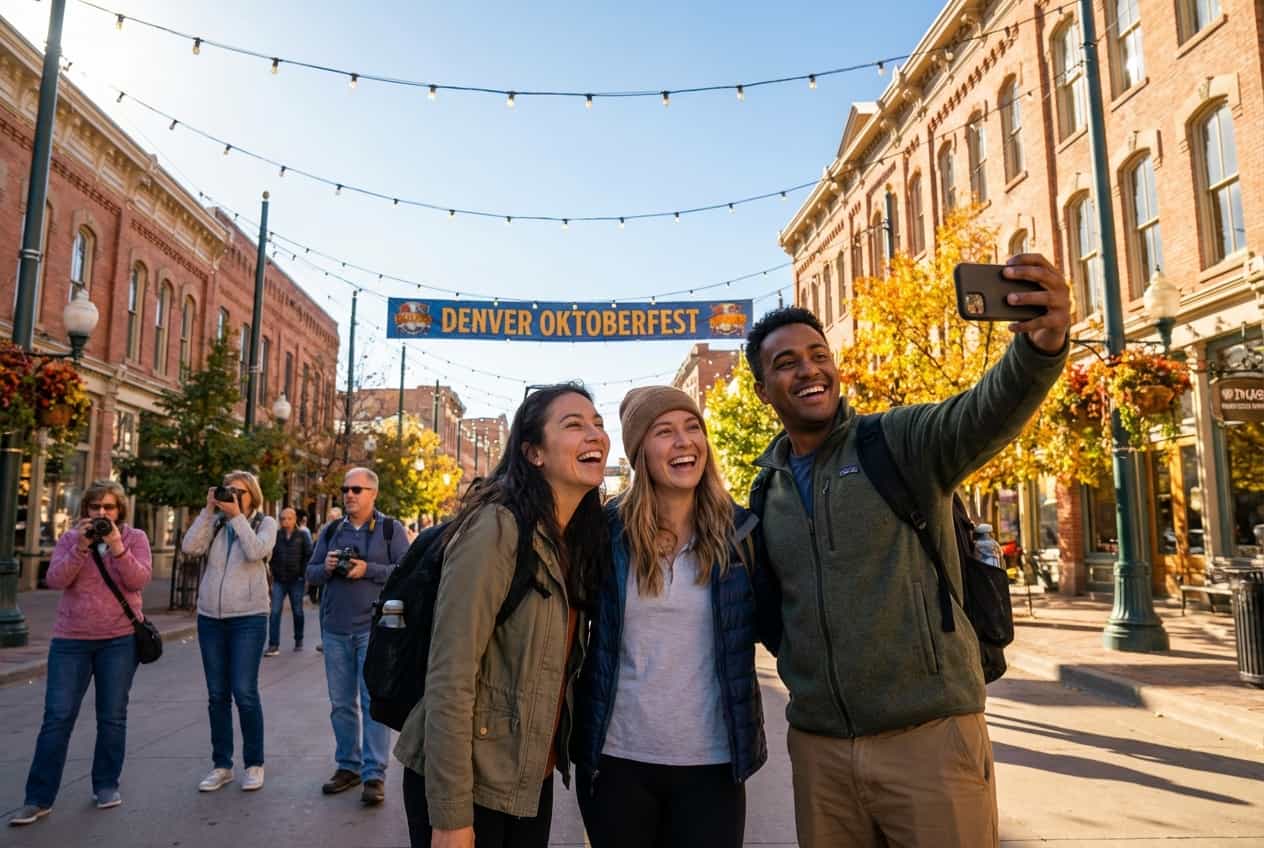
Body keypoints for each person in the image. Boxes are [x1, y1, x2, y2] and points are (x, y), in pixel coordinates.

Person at [745, 253, 1070, 848]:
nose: (809, 371)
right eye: (786, 364)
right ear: (764, 390)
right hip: (819, 750)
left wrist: (1037, 350)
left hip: (930, 741)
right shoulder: (766, 491)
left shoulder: (897, 441)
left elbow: (980, 413)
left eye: (819, 356)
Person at [395, 382, 610, 848]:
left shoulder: (571, 538)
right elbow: (450, 674)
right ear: (533, 453)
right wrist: (451, 816)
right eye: (574, 425)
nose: (594, 434)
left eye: (598, 423)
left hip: (528, 775)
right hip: (470, 782)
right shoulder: (498, 526)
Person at [574, 387, 767, 848]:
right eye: (664, 432)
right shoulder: (605, 533)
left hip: (713, 763)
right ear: (641, 452)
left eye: (692, 427)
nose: (684, 442)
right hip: (618, 760)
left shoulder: (741, 532)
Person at [8, 481, 152, 826]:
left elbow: (138, 580)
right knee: (57, 718)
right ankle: (38, 798)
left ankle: (105, 784)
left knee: (112, 716)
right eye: (95, 508)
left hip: (119, 640)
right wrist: (82, 547)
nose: (102, 514)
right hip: (71, 640)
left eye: (109, 508)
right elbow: (55, 580)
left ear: (120, 511)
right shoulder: (72, 539)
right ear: (85, 510)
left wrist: (116, 546)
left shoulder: (135, 538)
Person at [305, 468, 408, 806]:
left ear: (373, 493)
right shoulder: (332, 530)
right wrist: (330, 567)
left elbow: (408, 573)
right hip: (335, 629)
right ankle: (347, 766)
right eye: (346, 489)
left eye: (357, 489)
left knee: (371, 703)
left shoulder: (391, 530)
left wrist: (369, 570)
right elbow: (312, 573)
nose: (349, 494)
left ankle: (374, 773)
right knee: (341, 704)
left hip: (373, 630)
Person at [182, 470, 278, 794]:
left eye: (240, 492)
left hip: (249, 618)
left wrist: (237, 518)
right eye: (228, 491)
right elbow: (190, 547)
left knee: (244, 691)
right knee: (216, 695)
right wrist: (208, 512)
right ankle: (222, 765)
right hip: (211, 617)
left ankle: (254, 763)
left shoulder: (265, 523)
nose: (232, 496)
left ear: (252, 496)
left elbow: (256, 552)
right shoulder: (217, 523)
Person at [266, 507, 312, 656]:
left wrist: (304, 575)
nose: (285, 521)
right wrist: (272, 572)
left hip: (296, 580)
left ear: (294, 519)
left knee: (297, 611)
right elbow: (270, 555)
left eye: (288, 518)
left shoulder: (302, 535)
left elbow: (308, 555)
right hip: (279, 579)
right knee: (274, 612)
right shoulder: (276, 536)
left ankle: (299, 639)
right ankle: (273, 645)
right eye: (283, 519)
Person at [311, 506, 343, 654]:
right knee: (323, 609)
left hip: (345, 580)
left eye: (335, 517)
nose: (332, 520)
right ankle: (326, 640)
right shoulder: (326, 531)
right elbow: (313, 564)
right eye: (330, 517)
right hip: (327, 577)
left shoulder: (347, 530)